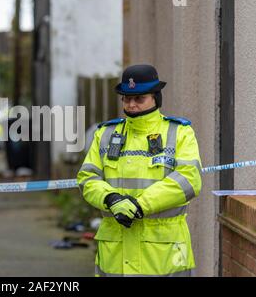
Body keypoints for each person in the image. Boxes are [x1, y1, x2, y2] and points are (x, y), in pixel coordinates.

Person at [77, 64, 202, 277]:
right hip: (115, 256)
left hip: (164, 255)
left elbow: (189, 179)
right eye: (126, 98)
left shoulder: (179, 132)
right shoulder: (106, 134)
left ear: (156, 98)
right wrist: (111, 199)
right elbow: (87, 177)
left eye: (139, 98)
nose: (131, 105)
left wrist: (140, 205)